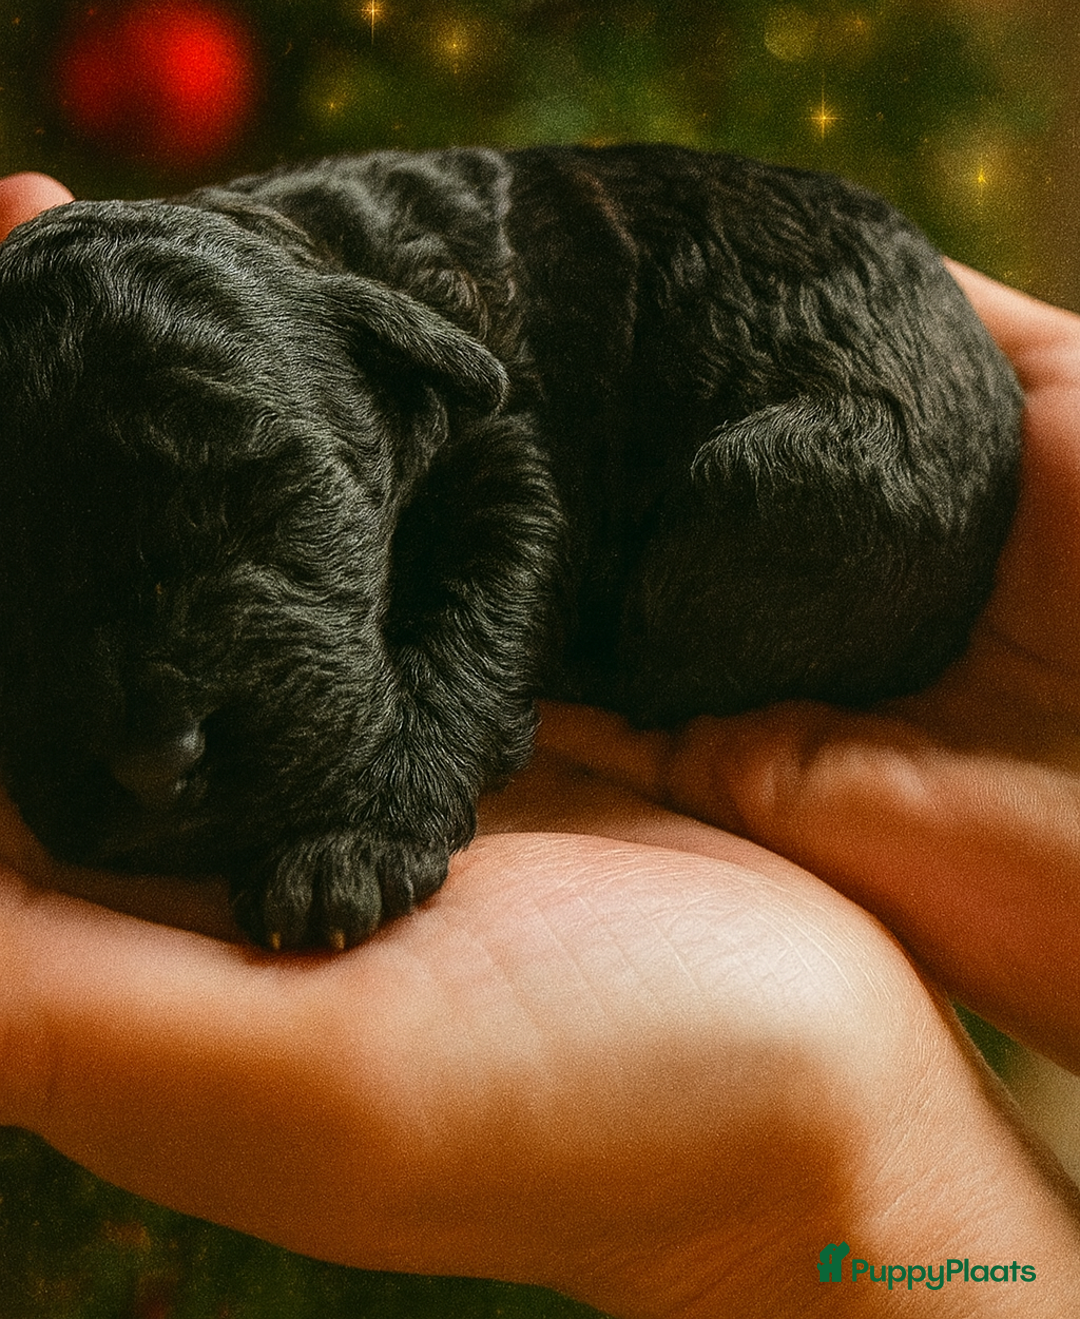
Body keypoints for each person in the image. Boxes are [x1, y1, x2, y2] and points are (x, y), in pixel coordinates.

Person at [0, 170, 1077, 1316]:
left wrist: (401, 796)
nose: (154, 746)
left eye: (262, 513)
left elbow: (511, 508)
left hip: (824, 442)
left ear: (395, 379)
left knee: (753, 514)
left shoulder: (404, 360)